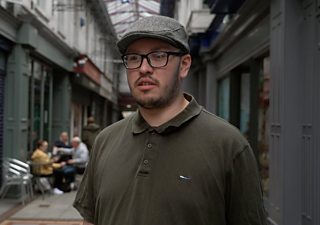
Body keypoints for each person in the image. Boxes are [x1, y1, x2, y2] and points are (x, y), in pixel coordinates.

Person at [73, 15, 267, 225]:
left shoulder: (229, 146)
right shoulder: (105, 141)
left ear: (184, 65)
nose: (144, 68)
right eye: (134, 57)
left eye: (158, 56)